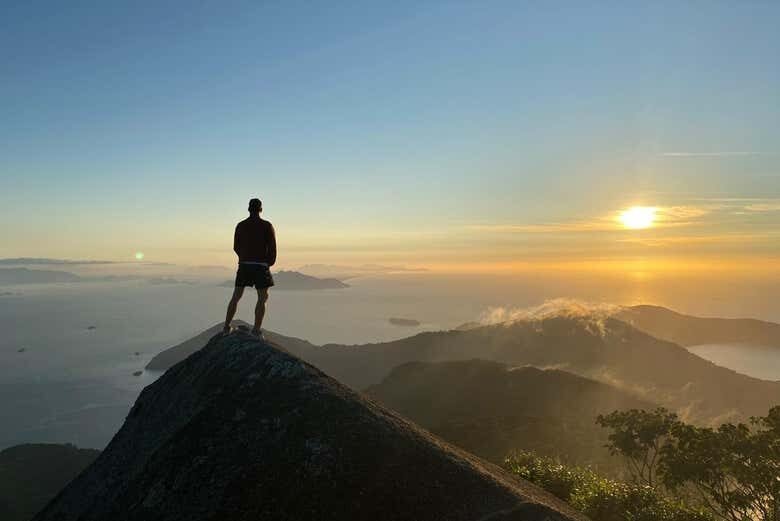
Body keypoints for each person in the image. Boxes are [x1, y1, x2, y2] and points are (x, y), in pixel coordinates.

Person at [223, 198, 277, 338]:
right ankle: (256, 330)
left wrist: (244, 257)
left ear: (248, 209)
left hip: (244, 265)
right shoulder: (266, 226)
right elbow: (272, 247)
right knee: (262, 297)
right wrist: (268, 263)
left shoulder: (241, 225)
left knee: (236, 296)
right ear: (261, 209)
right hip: (260, 266)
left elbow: (236, 247)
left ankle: (226, 327)